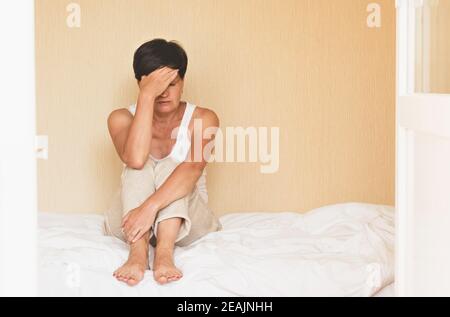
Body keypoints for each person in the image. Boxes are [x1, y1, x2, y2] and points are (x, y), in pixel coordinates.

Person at [104, 39, 222, 286]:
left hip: (186, 222)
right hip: (130, 220)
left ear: (183, 83)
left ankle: (164, 253)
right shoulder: (120, 118)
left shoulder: (205, 118)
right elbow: (135, 159)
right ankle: (137, 254)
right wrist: (146, 96)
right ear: (141, 83)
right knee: (142, 164)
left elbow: (192, 170)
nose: (165, 93)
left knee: (176, 167)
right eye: (157, 86)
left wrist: (149, 209)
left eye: (172, 84)